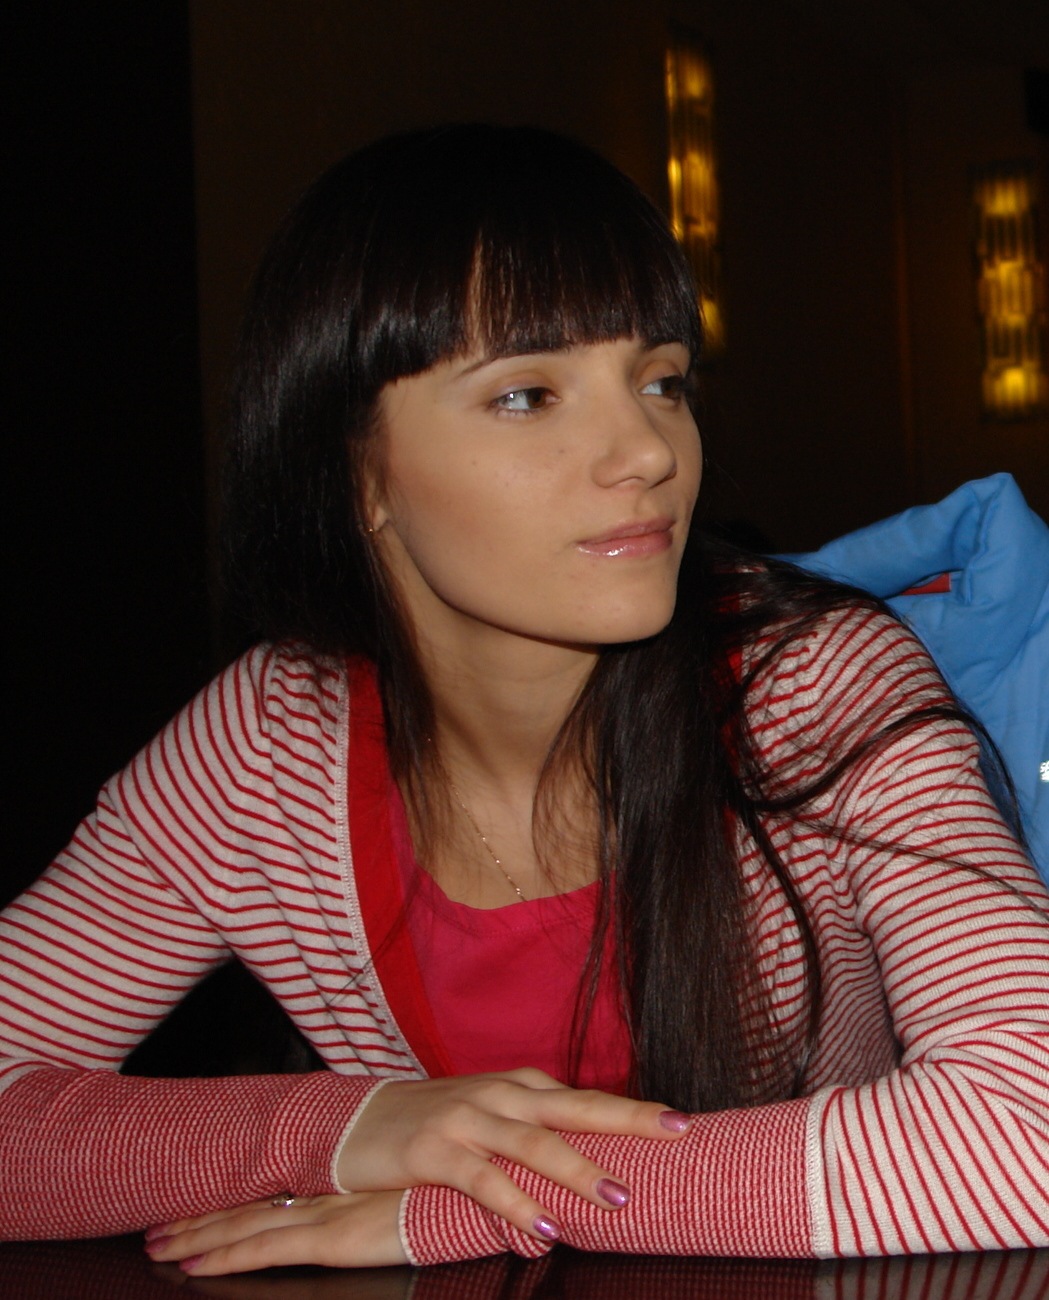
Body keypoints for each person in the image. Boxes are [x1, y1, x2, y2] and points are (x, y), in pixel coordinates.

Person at [1, 124, 1047, 1276]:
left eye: (658, 380)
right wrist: (347, 1128)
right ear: (355, 472)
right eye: (526, 394)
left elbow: (1027, 1128)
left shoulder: (811, 686)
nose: (645, 449)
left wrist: (478, 1204)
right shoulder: (265, 747)